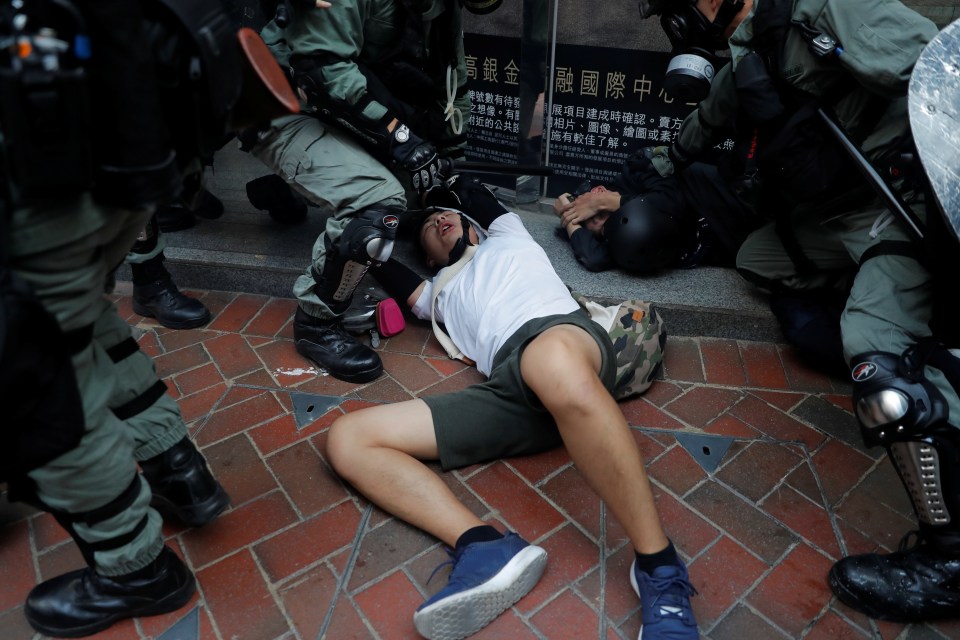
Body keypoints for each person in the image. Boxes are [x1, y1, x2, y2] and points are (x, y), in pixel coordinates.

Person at [640, 0, 960, 623]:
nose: (676, 19)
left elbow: (941, 77)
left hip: (901, 203)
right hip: (841, 213)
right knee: (760, 257)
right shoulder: (751, 50)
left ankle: (949, 557)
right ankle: (887, 312)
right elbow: (707, 122)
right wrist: (660, 164)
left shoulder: (823, 8)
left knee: (876, 354)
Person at [0, 0, 297, 635]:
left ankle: (135, 567)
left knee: (40, 379)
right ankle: (177, 469)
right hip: (126, 131)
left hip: (53, 160)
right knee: (80, 322)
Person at [325, 176, 698, 640]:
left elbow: (471, 193)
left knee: (552, 364)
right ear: (427, 258)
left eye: (448, 215)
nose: (440, 221)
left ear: (474, 225)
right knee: (347, 439)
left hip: (562, 342)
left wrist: (429, 176)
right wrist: (359, 228)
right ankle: (482, 547)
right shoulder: (435, 296)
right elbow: (376, 258)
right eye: (429, 230)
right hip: (510, 391)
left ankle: (659, 568)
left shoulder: (508, 235)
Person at [244, 0, 500, 383]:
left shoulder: (442, 7)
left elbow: (453, 85)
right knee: (379, 208)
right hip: (285, 103)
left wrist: (446, 163)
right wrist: (406, 144)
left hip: (340, 115)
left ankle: (289, 188)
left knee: (418, 201)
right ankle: (317, 323)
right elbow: (321, 70)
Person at [552, 147, 723, 273]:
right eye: (599, 232)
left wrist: (605, 202)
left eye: (601, 214)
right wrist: (570, 220)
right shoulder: (621, 234)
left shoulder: (639, 170)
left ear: (599, 192)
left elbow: (670, 204)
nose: (605, 224)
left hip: (731, 208)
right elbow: (594, 259)